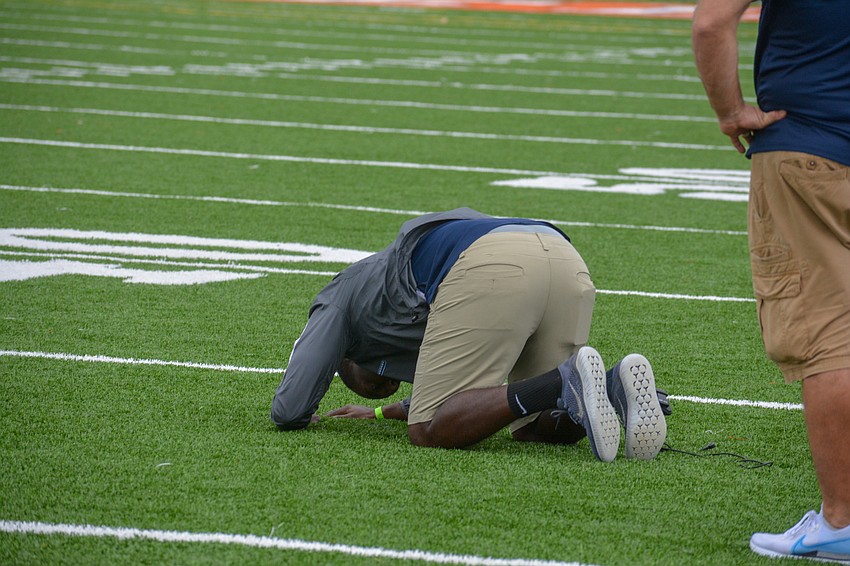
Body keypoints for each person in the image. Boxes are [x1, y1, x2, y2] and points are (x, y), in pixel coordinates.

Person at [271, 208, 667, 462]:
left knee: (428, 431)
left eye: (378, 382)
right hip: (562, 255)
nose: (390, 384)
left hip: (493, 265)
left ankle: (567, 378)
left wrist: (308, 404)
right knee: (533, 425)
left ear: (348, 356)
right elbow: (447, 381)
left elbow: (288, 409)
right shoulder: (381, 300)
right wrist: (381, 411)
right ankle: (614, 386)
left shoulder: (338, 299)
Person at [692, 0, 850, 561]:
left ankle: (842, 520)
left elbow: (713, 20)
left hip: (812, 147)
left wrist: (731, 110)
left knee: (829, 336)